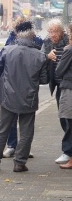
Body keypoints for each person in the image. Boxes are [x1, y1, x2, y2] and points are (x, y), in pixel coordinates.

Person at [0, 20, 49, 172]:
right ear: (33, 38)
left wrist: (8, 77)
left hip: (8, 97)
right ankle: (19, 163)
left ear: (18, 36)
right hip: (29, 98)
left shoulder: (7, 50)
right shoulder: (40, 56)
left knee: (2, 130)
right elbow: (45, 80)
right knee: (27, 131)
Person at [2, 17, 43, 158]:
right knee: (19, 123)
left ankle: (20, 149)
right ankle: (13, 146)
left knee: (17, 123)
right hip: (19, 88)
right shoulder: (11, 40)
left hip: (21, 88)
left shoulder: (36, 41)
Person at [41, 18, 70, 164]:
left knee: (67, 118)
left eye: (55, 31)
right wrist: (47, 57)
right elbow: (40, 59)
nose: (53, 34)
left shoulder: (67, 42)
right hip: (58, 85)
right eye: (50, 31)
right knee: (62, 116)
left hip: (67, 85)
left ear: (61, 31)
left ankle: (68, 150)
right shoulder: (47, 43)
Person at [55, 24, 72, 169]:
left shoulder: (69, 50)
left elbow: (59, 70)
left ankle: (70, 157)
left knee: (69, 123)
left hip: (69, 89)